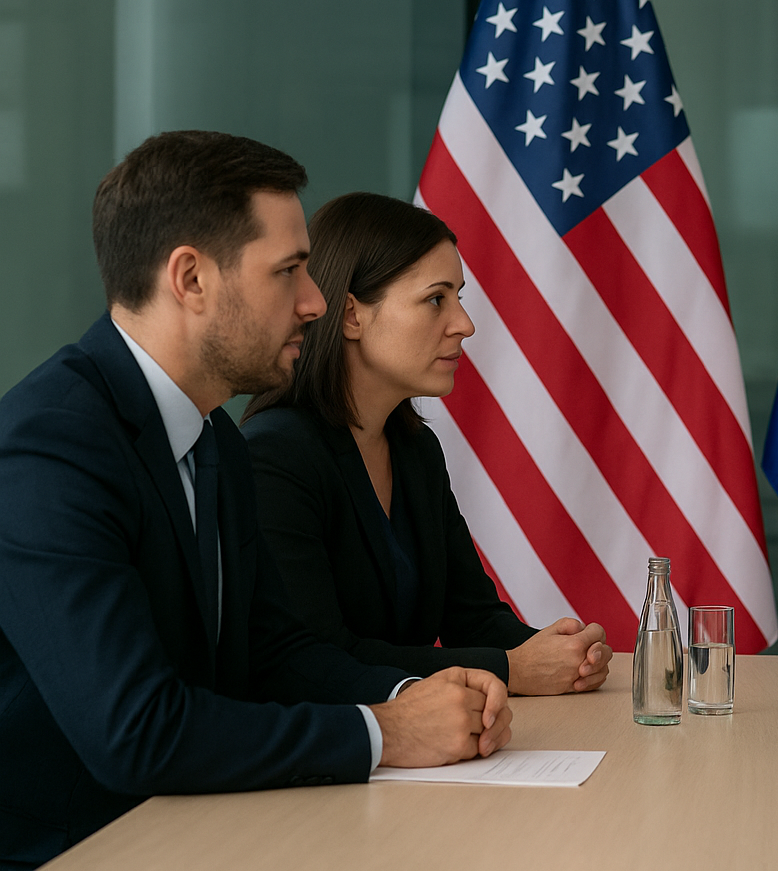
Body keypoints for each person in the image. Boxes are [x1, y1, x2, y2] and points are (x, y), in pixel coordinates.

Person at [0, 132, 512, 869]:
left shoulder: (216, 443)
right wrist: (388, 733)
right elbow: (137, 732)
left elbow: (275, 656)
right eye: (290, 271)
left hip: (202, 833)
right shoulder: (51, 447)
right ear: (190, 278)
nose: (314, 303)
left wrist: (427, 695)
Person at [241, 192, 612, 693]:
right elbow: (318, 657)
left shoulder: (416, 450)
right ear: (351, 315)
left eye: (459, 297)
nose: (464, 324)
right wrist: (510, 669)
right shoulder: (275, 454)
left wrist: (559, 652)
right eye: (436, 298)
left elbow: (474, 620)